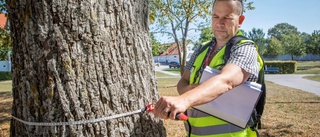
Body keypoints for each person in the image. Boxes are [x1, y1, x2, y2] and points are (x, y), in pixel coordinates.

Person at [153, 0, 263, 136]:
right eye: (215, 16)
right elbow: (183, 81)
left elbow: (226, 81)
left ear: (240, 20)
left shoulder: (245, 48)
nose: (219, 23)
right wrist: (188, 91)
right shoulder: (201, 49)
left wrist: (184, 100)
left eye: (227, 18)